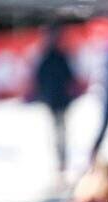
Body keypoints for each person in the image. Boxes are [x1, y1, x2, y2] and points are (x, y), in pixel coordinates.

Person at [32, 24, 78, 174]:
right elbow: (38, 79)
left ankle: (63, 161)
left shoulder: (60, 55)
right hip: (53, 99)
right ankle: (60, 161)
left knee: (61, 130)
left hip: (61, 99)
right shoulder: (45, 57)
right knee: (57, 130)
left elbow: (70, 76)